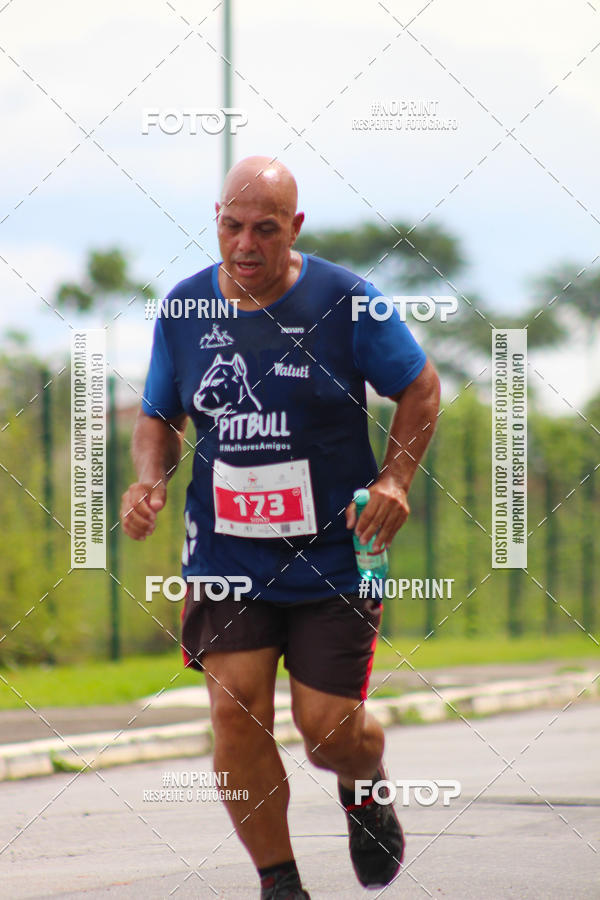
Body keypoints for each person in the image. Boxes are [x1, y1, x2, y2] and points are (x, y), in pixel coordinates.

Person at [121, 156, 440, 899]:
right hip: (227, 548)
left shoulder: (347, 302)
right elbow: (159, 414)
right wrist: (149, 480)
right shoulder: (186, 310)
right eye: (232, 227)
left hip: (335, 547)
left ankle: (363, 782)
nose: (245, 246)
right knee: (236, 714)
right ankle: (280, 882)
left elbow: (420, 387)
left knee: (328, 728)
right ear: (218, 221)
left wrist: (394, 478)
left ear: (293, 228)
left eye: (265, 230)